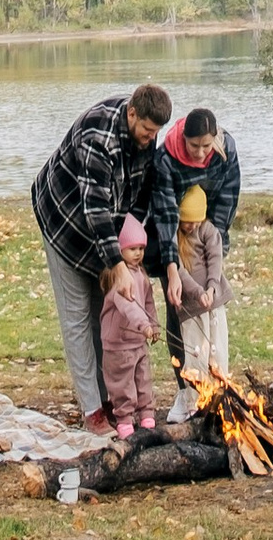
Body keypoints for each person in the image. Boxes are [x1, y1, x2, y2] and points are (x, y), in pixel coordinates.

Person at [30, 81, 174, 435]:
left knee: (104, 314)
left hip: (104, 232)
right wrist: (116, 264)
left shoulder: (146, 131)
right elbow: (93, 206)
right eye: (146, 130)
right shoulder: (100, 137)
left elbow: (138, 197)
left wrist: (130, 244)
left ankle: (111, 399)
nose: (149, 138)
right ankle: (93, 411)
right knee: (78, 318)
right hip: (64, 221)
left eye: (155, 132)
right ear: (131, 113)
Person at [156, 103, 240, 421]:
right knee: (180, 310)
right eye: (195, 145)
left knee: (213, 309)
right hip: (175, 237)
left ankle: (217, 385)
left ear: (215, 138)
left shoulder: (225, 149)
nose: (200, 152)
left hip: (207, 229)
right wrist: (171, 264)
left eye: (206, 145)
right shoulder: (166, 158)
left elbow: (228, 196)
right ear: (185, 140)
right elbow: (163, 212)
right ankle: (186, 390)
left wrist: (212, 241)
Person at [97, 216, 161, 437]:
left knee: (143, 379)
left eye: (141, 248)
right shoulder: (118, 277)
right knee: (122, 384)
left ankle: (147, 416)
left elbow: (148, 303)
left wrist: (154, 324)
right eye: (132, 248)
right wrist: (143, 325)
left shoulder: (141, 275)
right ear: (120, 249)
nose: (138, 253)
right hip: (119, 344)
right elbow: (129, 307)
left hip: (138, 341)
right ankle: (124, 420)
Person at [173, 183, 229, 388]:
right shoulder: (175, 238)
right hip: (191, 304)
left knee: (217, 349)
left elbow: (215, 259)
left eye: (196, 221)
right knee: (196, 350)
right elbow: (179, 270)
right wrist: (197, 293)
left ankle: (221, 391)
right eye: (188, 222)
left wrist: (211, 288)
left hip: (213, 299)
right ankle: (195, 398)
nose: (192, 226)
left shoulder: (207, 229)